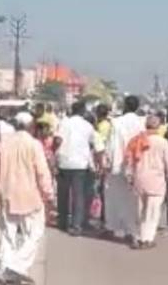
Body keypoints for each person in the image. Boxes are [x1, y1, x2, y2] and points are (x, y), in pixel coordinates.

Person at [0, 113, 53, 285]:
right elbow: (42, 172)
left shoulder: (4, 144)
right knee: (34, 233)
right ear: (31, 126)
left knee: (6, 234)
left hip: (7, 194)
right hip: (30, 196)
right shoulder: (34, 145)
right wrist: (48, 193)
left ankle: (6, 268)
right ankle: (17, 266)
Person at [124, 114, 168, 249]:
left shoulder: (136, 140)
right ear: (158, 127)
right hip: (156, 181)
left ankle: (138, 236)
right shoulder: (162, 142)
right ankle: (147, 239)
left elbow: (129, 160)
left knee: (139, 210)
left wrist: (129, 175)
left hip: (139, 179)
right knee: (152, 212)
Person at [55, 101, 101, 236]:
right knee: (78, 195)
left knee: (62, 194)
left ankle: (62, 222)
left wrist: (56, 155)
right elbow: (97, 145)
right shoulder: (88, 126)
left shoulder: (64, 123)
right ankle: (76, 225)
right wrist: (99, 163)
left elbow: (57, 140)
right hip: (80, 164)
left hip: (64, 162)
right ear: (83, 111)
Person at [104, 96, 145, 241]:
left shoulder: (116, 122)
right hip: (135, 164)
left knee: (113, 196)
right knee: (132, 199)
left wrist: (107, 161)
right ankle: (131, 230)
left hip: (118, 163)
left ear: (125, 106)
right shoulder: (141, 123)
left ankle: (112, 227)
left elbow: (111, 144)